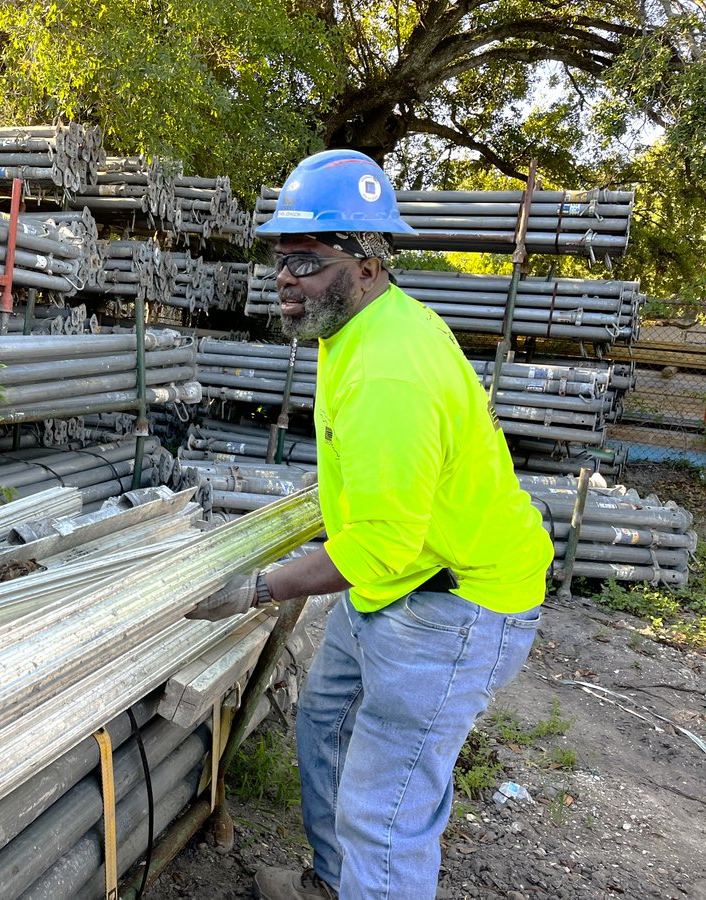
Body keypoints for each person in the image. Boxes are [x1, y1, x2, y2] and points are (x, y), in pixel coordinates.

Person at [191, 150, 553, 899]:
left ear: (366, 263)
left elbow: (383, 540)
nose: (284, 278)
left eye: (305, 259)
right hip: (400, 579)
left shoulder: (390, 367)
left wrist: (256, 586)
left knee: (383, 814)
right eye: (280, 260)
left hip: (454, 604)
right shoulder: (354, 327)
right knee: (323, 720)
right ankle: (334, 882)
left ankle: (366, 877)